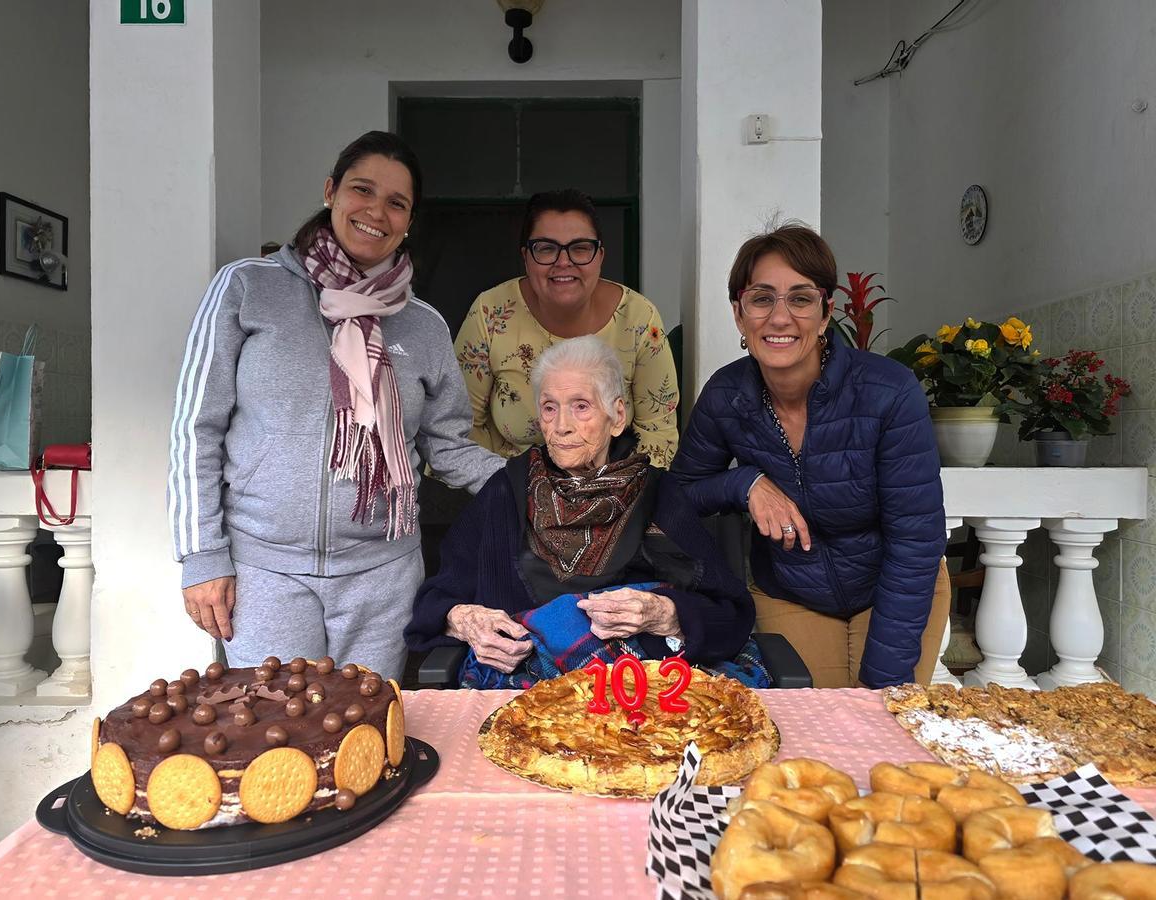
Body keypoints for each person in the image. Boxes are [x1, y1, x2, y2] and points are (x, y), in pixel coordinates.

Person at [169, 131, 503, 680]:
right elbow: (195, 430)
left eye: (397, 203)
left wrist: (537, 483)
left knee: (369, 741)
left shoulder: (424, 326)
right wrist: (202, 556)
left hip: (384, 576)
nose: (377, 212)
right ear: (331, 191)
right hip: (265, 571)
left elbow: (447, 448)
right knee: (275, 740)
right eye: (362, 190)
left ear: (410, 221)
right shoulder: (247, 288)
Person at [670, 224, 949, 689]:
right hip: (790, 592)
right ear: (739, 315)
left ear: (825, 314)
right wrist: (746, 484)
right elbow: (679, 497)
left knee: (881, 728)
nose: (780, 318)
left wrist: (881, 685)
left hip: (893, 587)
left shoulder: (889, 391)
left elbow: (915, 542)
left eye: (800, 299)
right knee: (809, 735)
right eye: (762, 299)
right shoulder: (726, 396)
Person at [405, 336, 767, 688]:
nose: (561, 425)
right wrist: (466, 620)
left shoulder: (657, 493)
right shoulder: (506, 490)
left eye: (581, 406)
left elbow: (730, 612)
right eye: (550, 407)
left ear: (617, 415)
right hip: (528, 696)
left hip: (641, 692)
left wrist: (665, 614)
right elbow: (437, 600)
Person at [454, 189, 681, 469]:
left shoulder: (639, 320)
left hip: (613, 493)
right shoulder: (490, 314)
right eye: (546, 248)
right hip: (509, 488)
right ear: (526, 257)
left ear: (600, 256)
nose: (564, 262)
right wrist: (505, 492)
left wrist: (625, 498)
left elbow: (658, 432)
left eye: (580, 247)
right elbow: (461, 426)